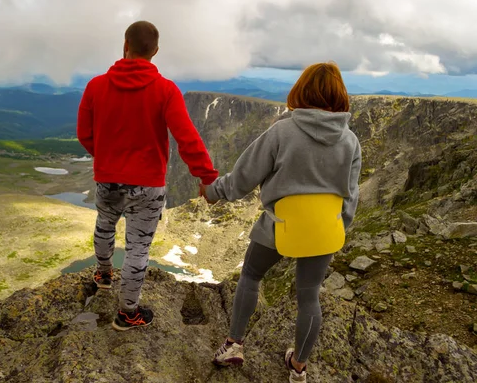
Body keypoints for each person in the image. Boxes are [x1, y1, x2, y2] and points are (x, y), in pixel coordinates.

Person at [200, 62, 362, 383]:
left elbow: (244, 178)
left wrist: (214, 191)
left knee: (250, 275)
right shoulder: (350, 141)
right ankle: (298, 368)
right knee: (309, 295)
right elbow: (350, 197)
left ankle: (234, 345)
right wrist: (336, 229)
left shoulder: (282, 132)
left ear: (302, 90)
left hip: (278, 225)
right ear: (339, 96)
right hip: (324, 230)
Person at [77, 21, 218, 332]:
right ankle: (128, 313)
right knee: (138, 247)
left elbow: (84, 134)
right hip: (148, 185)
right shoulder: (166, 90)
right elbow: (187, 138)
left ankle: (102, 275)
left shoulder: (95, 86)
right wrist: (206, 176)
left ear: (124, 45)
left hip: (107, 178)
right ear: (155, 51)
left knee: (104, 224)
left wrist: (105, 159)